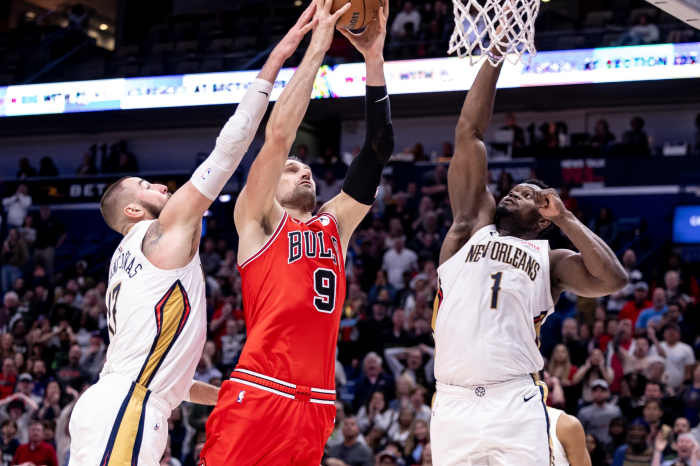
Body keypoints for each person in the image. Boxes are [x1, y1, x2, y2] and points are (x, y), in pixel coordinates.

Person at [66, 17, 307, 465]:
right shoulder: (163, 230)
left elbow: (175, 383)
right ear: (133, 211)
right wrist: (275, 61)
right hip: (129, 406)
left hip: (123, 399)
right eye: (145, 185)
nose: (159, 185)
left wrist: (236, 398)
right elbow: (228, 148)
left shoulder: (136, 258)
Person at [201, 1, 394, 463]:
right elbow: (280, 136)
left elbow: (377, 148)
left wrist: (373, 58)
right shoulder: (258, 216)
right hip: (260, 388)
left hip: (318, 404)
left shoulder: (336, 224)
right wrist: (319, 48)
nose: (302, 171)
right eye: (292, 170)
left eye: (307, 169)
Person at [430, 49, 627, 465]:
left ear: (542, 219)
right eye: (514, 189)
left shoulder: (549, 259)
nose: (515, 192)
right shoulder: (469, 226)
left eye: (528, 195)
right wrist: (496, 54)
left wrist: (567, 218)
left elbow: (612, 281)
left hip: (513, 399)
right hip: (452, 401)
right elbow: (469, 132)